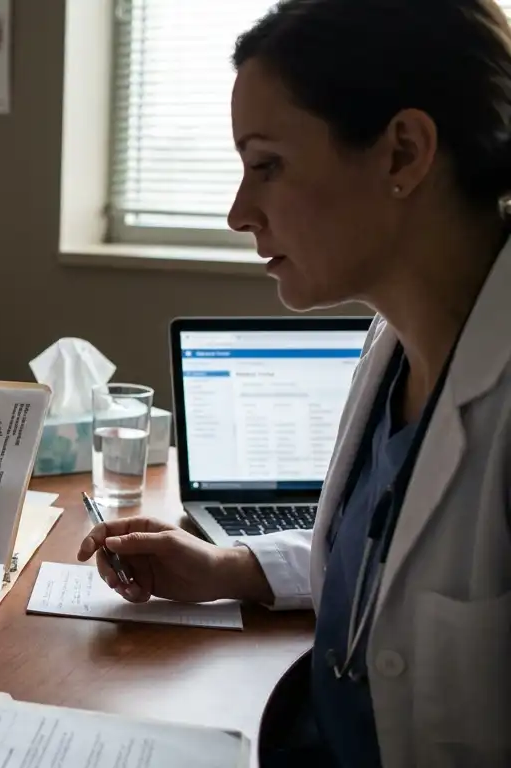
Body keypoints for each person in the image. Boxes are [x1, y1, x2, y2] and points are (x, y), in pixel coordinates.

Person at [77, 1, 511, 766]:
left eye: (267, 165)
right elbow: (388, 555)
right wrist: (233, 568)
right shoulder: (393, 348)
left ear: (403, 153)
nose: (240, 212)